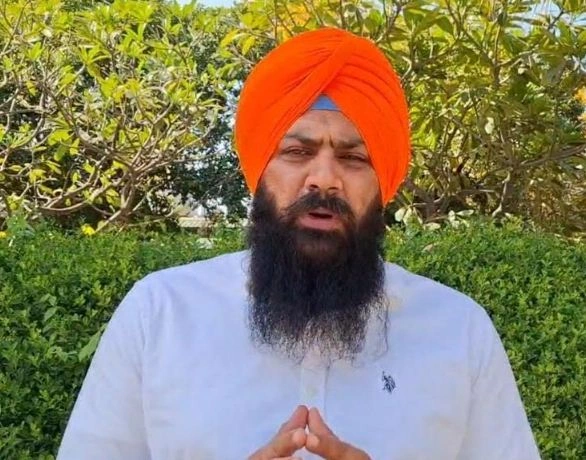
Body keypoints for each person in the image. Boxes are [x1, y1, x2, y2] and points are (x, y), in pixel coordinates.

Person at [57, 28, 540, 460]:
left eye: (354, 158)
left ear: (382, 185)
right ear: (260, 172)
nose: (324, 179)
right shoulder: (159, 314)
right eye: (296, 152)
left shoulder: (459, 331)